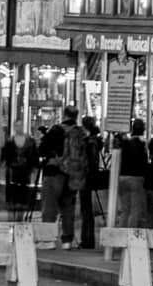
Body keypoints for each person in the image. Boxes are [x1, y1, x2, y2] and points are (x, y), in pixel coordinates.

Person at [39, 104, 82, 249]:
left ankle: (48, 239)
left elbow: (42, 150)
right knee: (68, 207)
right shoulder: (79, 132)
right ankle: (67, 240)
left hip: (54, 172)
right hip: (72, 174)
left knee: (50, 206)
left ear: (64, 115)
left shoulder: (56, 130)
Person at [0, 120, 39, 221]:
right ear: (14, 127)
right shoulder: (10, 141)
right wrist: (2, 170)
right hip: (12, 173)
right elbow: (4, 157)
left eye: (20, 125)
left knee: (22, 195)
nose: (19, 127)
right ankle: (11, 217)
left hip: (24, 173)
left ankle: (19, 217)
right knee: (12, 196)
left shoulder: (29, 141)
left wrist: (34, 171)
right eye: (17, 125)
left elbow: (34, 158)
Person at [115, 118, 149, 227]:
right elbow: (144, 163)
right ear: (143, 129)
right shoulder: (141, 144)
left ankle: (120, 233)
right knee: (135, 210)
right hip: (136, 178)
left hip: (122, 177)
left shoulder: (126, 143)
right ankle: (130, 234)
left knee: (124, 210)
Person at [78, 115, 104, 248]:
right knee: (87, 209)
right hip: (89, 177)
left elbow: (91, 161)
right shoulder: (94, 140)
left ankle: (87, 240)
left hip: (87, 177)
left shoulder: (90, 142)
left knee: (86, 209)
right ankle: (88, 239)